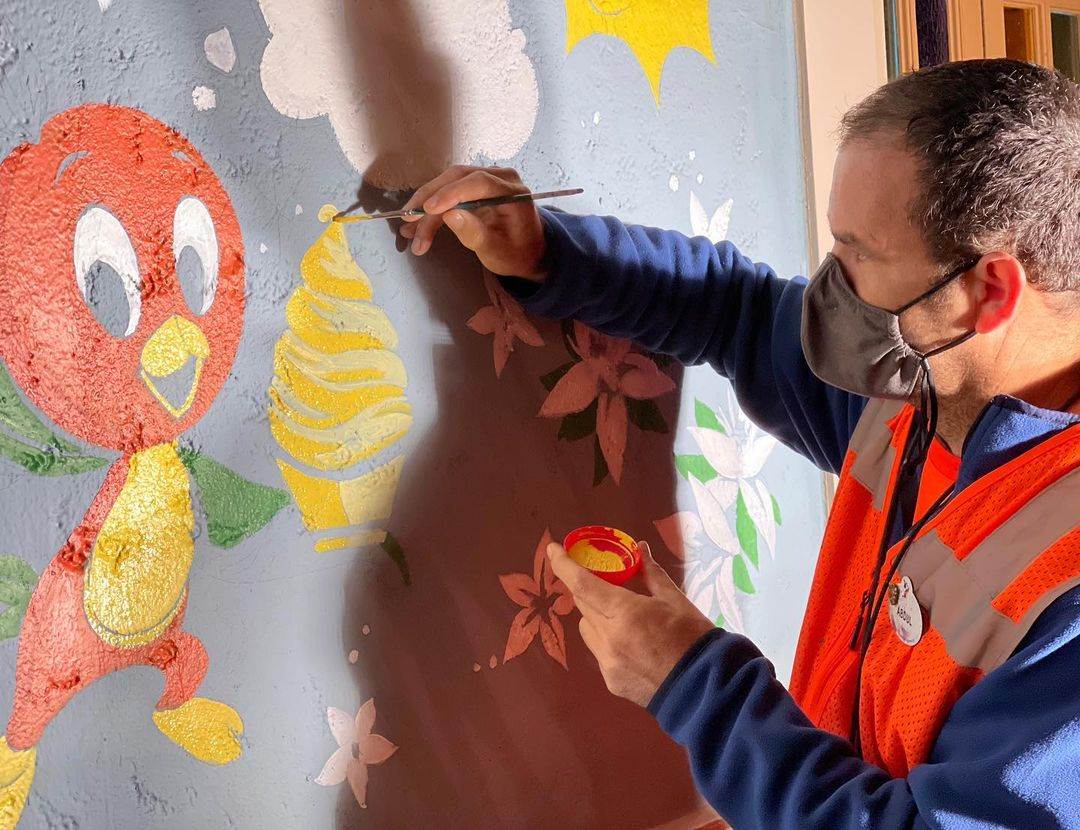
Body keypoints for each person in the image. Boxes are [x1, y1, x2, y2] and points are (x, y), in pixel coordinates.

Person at [400, 59, 1080, 828]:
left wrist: (693, 683)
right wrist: (544, 253)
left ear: (986, 292)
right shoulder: (921, 396)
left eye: (859, 256)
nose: (831, 287)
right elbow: (738, 312)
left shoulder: (1069, 592)